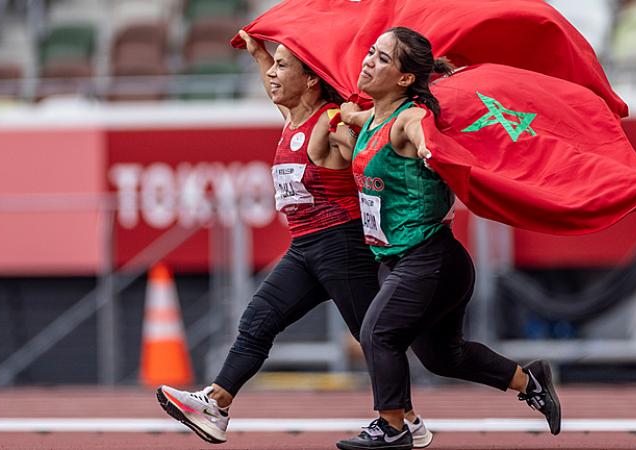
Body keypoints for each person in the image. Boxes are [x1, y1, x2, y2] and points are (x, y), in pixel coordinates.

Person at [155, 30, 433, 448]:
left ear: (310, 80)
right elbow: (278, 88)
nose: (272, 76)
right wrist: (258, 53)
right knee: (258, 320)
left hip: (342, 242)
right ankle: (216, 405)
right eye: (274, 66)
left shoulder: (329, 118)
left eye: (284, 67)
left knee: (374, 336)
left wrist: (357, 140)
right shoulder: (293, 118)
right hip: (305, 247)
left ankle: (405, 420)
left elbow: (363, 147)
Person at [335, 27, 562, 450]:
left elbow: (422, 131)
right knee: (444, 357)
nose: (368, 61)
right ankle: (530, 380)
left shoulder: (410, 118)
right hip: (403, 263)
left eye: (382, 59)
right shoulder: (373, 116)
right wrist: (337, 115)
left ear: (405, 79)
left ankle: (392, 426)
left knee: (377, 333)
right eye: (370, 52)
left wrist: (428, 149)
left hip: (431, 259)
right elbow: (351, 116)